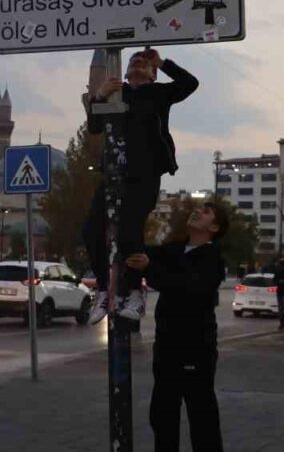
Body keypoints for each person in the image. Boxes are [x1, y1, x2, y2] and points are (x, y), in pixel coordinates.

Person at [125, 201, 232, 452]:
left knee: (202, 417)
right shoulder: (176, 248)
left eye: (207, 212)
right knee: (162, 413)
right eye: (198, 209)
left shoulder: (212, 259)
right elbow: (148, 253)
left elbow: (185, 286)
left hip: (195, 348)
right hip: (167, 345)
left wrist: (150, 269)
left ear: (213, 228)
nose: (198, 212)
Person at [82, 49, 198, 325]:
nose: (137, 64)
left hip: (144, 175)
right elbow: (95, 127)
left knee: (129, 234)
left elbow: (189, 84)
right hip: (112, 174)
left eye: (144, 63)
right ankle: (102, 290)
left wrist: (162, 62)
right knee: (91, 231)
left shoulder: (158, 94)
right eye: (134, 61)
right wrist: (99, 96)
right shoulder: (116, 94)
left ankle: (133, 292)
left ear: (152, 73)